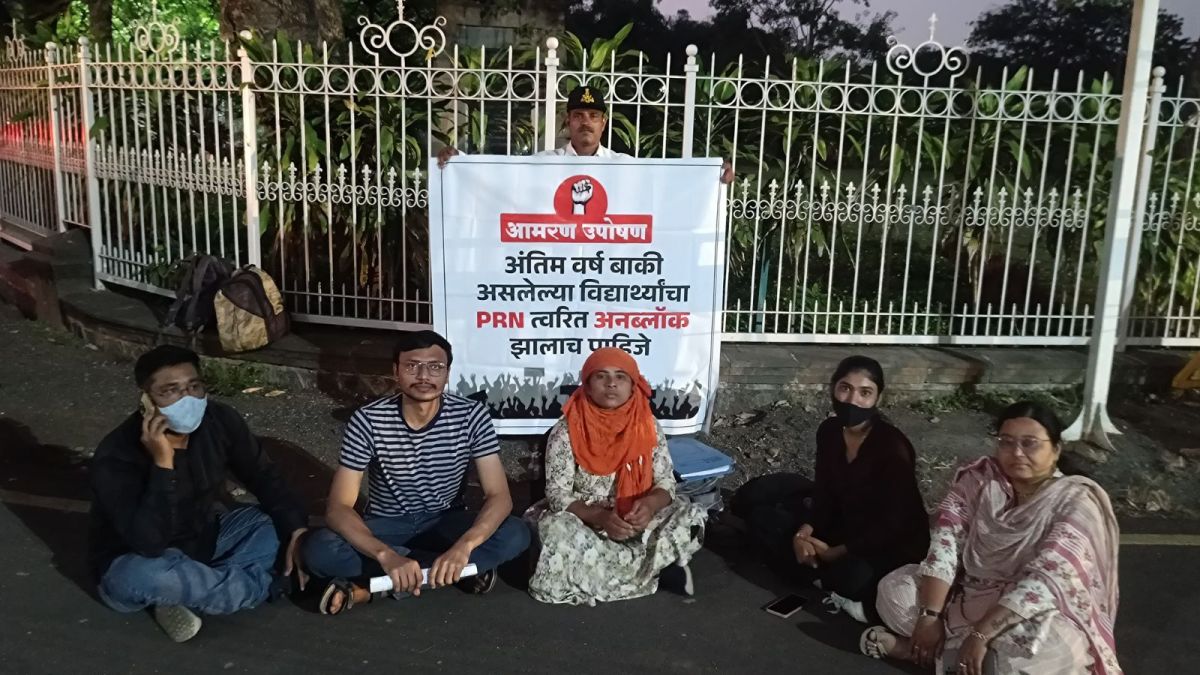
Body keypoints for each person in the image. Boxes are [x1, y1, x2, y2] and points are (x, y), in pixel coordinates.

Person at [862, 402, 1121, 675]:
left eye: (1030, 443)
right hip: (970, 596)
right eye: (1006, 442)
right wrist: (930, 616)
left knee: (1054, 650)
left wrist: (981, 636)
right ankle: (962, 658)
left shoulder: (1075, 501)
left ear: (1055, 449)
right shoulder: (980, 480)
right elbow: (945, 545)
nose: (1017, 453)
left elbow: (1045, 581)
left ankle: (931, 656)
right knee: (894, 591)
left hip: (1030, 612)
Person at [89, 345, 308, 642]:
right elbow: (149, 544)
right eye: (171, 390)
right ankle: (260, 585)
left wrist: (297, 529)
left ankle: (181, 593)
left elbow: (264, 476)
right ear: (146, 400)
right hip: (135, 559)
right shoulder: (116, 454)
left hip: (204, 543)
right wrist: (164, 465)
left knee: (270, 524)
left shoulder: (219, 421)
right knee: (143, 577)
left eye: (194, 386)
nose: (188, 398)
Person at [302, 330, 530, 614]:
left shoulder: (471, 415)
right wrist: (385, 555)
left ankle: (375, 589)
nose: (424, 376)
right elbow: (338, 508)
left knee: (516, 533)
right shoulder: (368, 420)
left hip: (445, 522)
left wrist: (464, 546)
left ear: (447, 374)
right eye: (412, 366)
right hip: (387, 525)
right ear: (395, 371)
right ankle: (457, 572)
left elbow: (499, 496)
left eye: (435, 367)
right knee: (319, 550)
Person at [732, 355, 929, 623]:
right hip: (841, 523)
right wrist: (803, 534)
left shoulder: (892, 447)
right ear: (833, 388)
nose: (852, 400)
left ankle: (818, 572)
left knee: (851, 578)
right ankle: (815, 570)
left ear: (877, 399)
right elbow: (824, 491)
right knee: (763, 519)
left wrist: (837, 551)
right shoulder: (829, 431)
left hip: (884, 542)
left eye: (865, 392)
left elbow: (894, 524)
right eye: (845, 388)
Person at [527, 347, 707, 605]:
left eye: (621, 376)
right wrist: (600, 517)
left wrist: (649, 504)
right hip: (586, 521)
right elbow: (557, 494)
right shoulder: (567, 430)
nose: (611, 383)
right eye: (601, 376)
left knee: (693, 516)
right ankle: (641, 572)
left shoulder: (648, 425)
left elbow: (666, 481)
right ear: (587, 386)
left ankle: (606, 572)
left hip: (636, 518)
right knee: (555, 528)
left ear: (634, 385)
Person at [438, 84, 735, 182]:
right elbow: (502, 175)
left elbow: (664, 178)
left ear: (603, 123)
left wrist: (710, 174)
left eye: (593, 116)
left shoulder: (622, 165)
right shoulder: (545, 162)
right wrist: (459, 161)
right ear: (568, 121)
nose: (586, 122)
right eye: (579, 115)